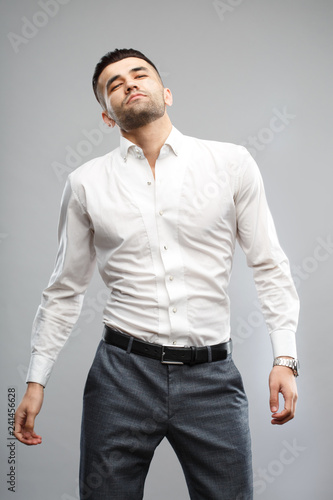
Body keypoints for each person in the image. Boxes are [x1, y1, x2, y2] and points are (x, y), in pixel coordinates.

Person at [14, 48, 300, 500]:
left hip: (213, 378)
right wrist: (35, 380)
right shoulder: (85, 183)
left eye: (139, 74)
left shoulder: (231, 164)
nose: (128, 83)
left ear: (165, 92)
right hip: (120, 378)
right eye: (113, 84)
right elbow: (64, 289)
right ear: (107, 116)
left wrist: (285, 358)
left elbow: (269, 264)